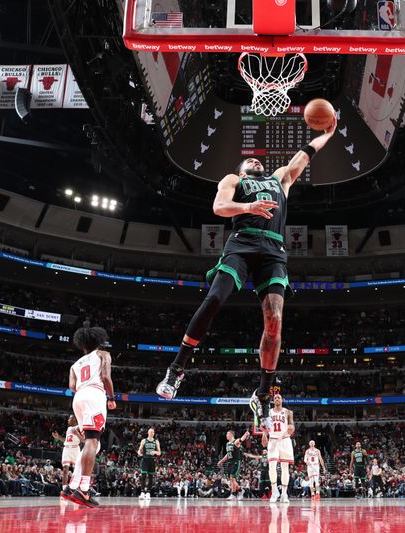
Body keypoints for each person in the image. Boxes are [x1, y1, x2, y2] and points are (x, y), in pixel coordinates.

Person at [155, 118, 338, 433]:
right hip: (241, 243)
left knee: (275, 320)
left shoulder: (280, 179)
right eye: (249, 160)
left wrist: (327, 134)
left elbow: (304, 155)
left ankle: (263, 395)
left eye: (258, 160)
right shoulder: (233, 180)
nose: (256, 160)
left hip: (273, 250)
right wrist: (248, 207)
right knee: (214, 298)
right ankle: (177, 369)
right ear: (242, 170)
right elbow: (219, 207)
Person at [67, 322, 116, 508]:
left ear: (83, 345)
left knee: (89, 440)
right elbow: (105, 377)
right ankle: (84, 489)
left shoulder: (74, 365)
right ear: (98, 341)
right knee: (92, 441)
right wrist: (111, 397)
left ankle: (71, 486)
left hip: (78, 397)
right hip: (94, 395)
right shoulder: (103, 354)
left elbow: (72, 386)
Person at [262, 393, 295, 503]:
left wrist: (288, 430)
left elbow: (291, 426)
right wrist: (264, 434)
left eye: (279, 397)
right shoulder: (268, 413)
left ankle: (284, 494)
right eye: (275, 398)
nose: (277, 399)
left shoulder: (288, 412)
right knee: (272, 466)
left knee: (285, 467)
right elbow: (265, 427)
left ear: (282, 400)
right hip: (273, 440)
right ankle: (275, 491)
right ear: (273, 400)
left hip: (285, 440)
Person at [52, 415, 84, 497]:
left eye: (70, 418)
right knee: (65, 469)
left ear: (75, 420)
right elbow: (66, 440)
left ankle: (75, 488)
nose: (68, 420)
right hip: (67, 449)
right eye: (69, 418)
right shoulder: (68, 429)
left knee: (76, 470)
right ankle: (64, 489)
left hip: (75, 449)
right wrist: (58, 437)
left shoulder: (79, 427)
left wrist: (77, 433)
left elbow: (83, 440)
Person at [217, 429, 251, 499]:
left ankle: (233, 494)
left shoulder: (235, 442)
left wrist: (245, 434)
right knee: (232, 479)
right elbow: (227, 454)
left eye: (227, 434)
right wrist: (221, 461)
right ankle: (240, 490)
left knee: (232, 478)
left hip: (236, 462)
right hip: (229, 462)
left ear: (231, 435)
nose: (226, 435)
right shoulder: (227, 444)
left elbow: (241, 440)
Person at [137, 427, 162, 500]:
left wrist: (155, 452)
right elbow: (139, 450)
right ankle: (142, 492)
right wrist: (139, 453)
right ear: (148, 433)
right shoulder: (144, 440)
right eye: (151, 432)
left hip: (152, 460)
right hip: (145, 460)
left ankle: (148, 493)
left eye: (153, 432)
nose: (152, 433)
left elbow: (159, 453)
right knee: (143, 476)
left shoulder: (156, 441)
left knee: (151, 477)